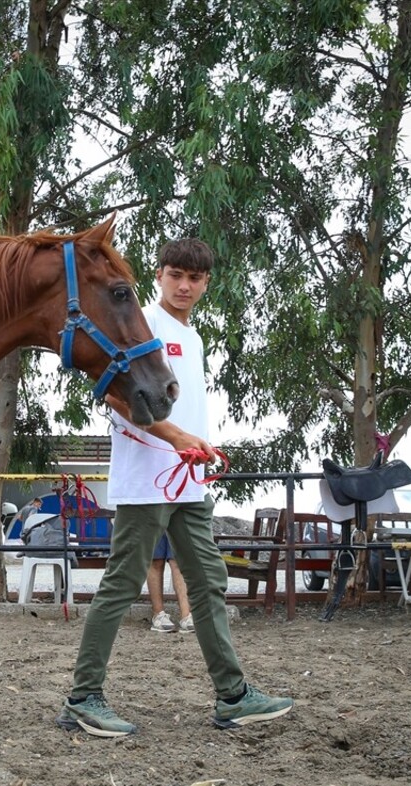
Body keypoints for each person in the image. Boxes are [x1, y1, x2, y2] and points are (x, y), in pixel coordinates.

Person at [56, 238, 293, 737]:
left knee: (208, 582)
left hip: (189, 482)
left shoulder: (195, 336)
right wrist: (177, 438)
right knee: (122, 584)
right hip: (146, 481)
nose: (185, 285)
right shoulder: (142, 323)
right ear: (159, 274)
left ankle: (232, 696)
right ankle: (82, 697)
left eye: (196, 278)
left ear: (206, 282)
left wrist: (196, 446)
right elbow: (116, 399)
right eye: (176, 275)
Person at [146, 534, 193, 633]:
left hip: (177, 518)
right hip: (152, 519)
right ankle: (158, 614)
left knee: (178, 560)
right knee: (155, 559)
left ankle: (186, 615)